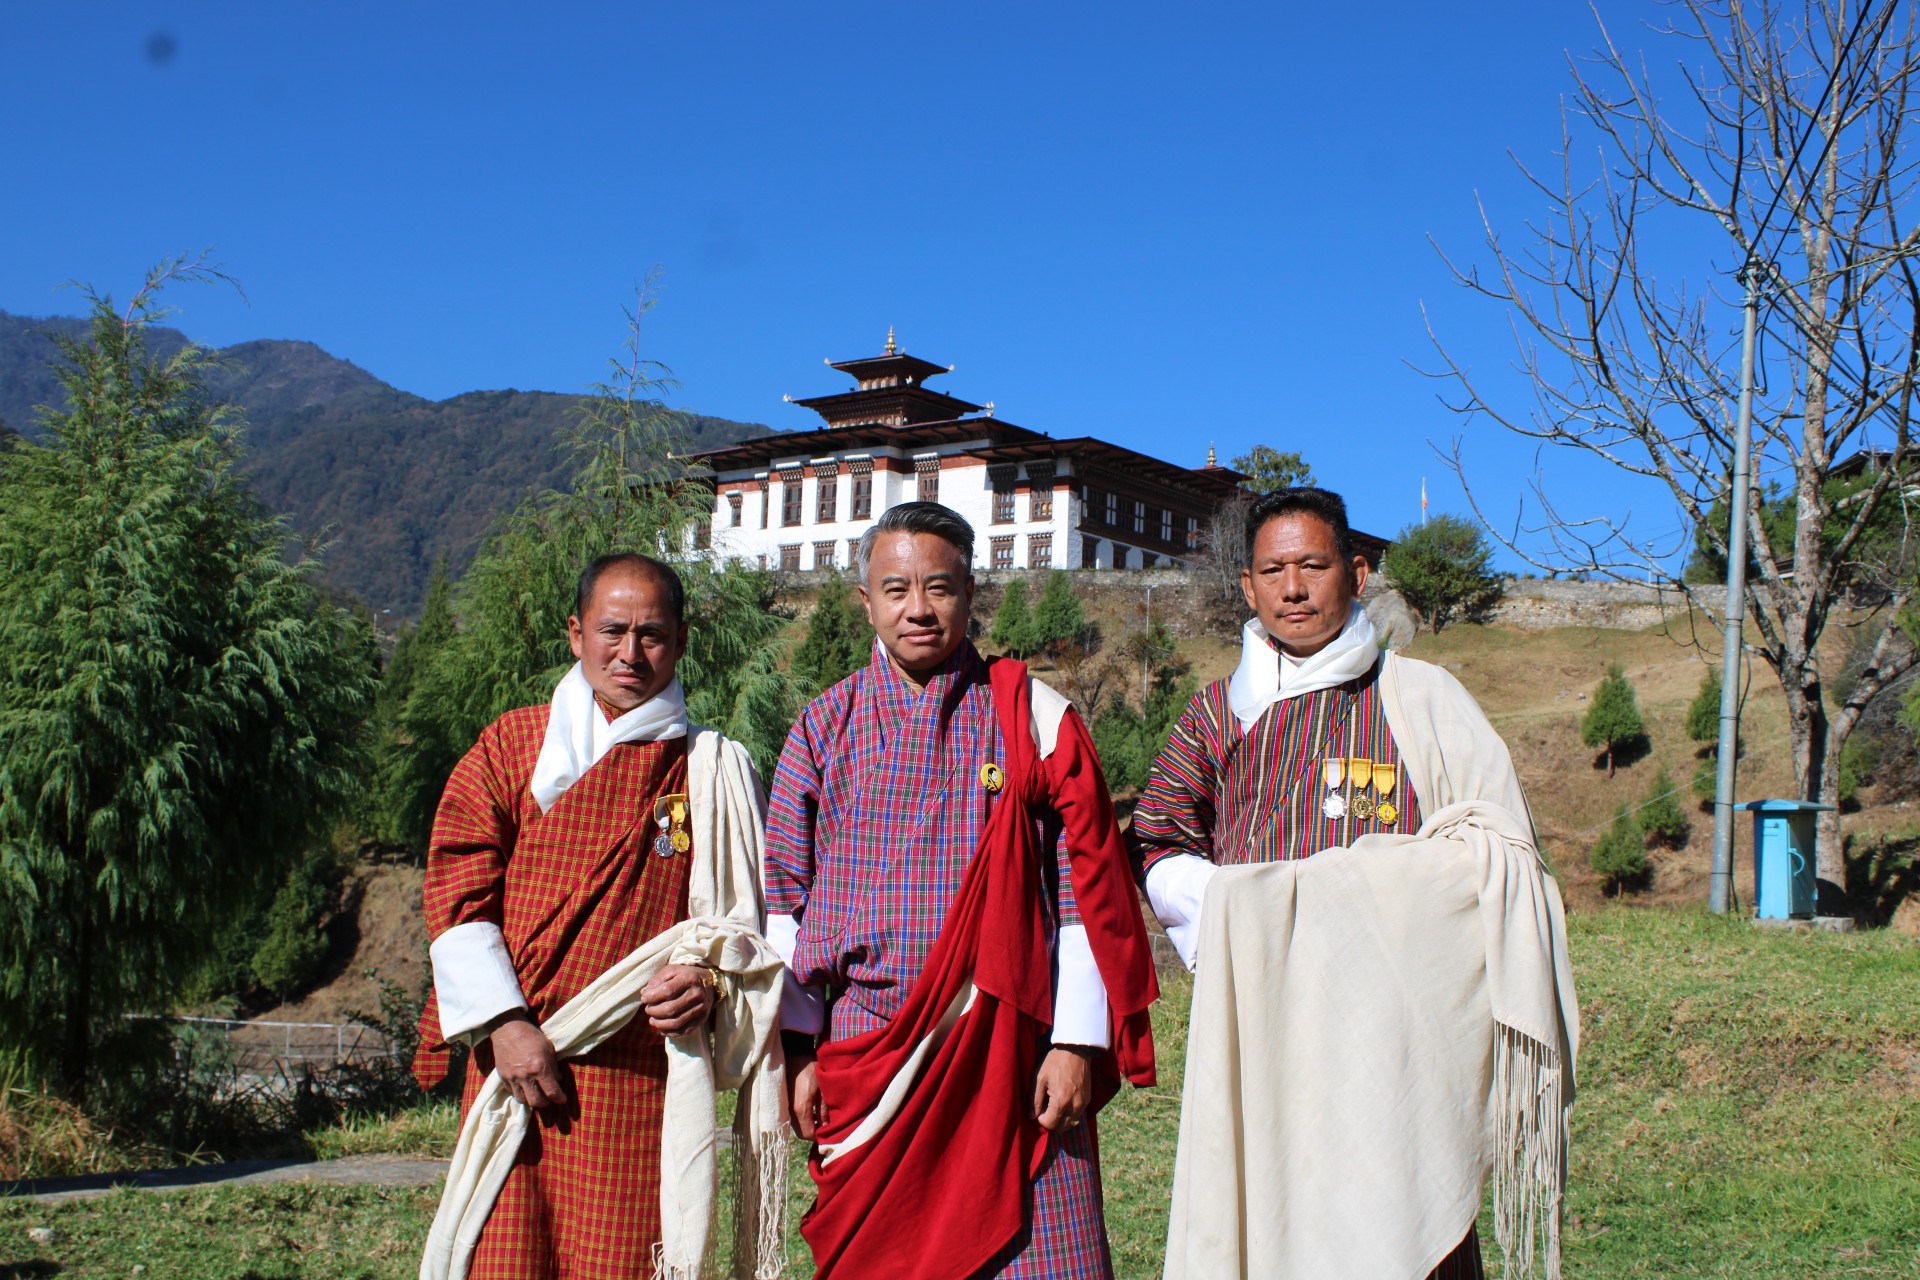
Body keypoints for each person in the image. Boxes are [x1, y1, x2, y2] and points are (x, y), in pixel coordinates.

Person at [1133, 488, 1579, 1280]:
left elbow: (1502, 849)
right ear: (1247, 586)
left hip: (1400, 1033)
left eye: (1313, 565)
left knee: (1404, 1216)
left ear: (1359, 573)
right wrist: (1245, 915)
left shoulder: (1421, 698)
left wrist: (1363, 887)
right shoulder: (1217, 714)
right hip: (1268, 1018)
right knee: (1274, 1209)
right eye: (1273, 570)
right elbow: (1159, 835)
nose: (1293, 589)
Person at [763, 501, 1158, 1280]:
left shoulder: (1031, 717)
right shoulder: (822, 727)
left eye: (939, 588)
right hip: (869, 1056)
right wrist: (797, 1049)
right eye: (896, 588)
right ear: (865, 601)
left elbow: (1085, 886)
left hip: (1013, 1055)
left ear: (971, 595)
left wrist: (1078, 1042)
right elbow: (787, 901)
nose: (918, 608)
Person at [412, 552, 787, 1280]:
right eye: (612, 630)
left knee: (622, 1258)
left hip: (639, 1074)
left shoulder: (706, 768)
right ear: (576, 632)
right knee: (506, 1256)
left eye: (652, 634)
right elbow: (457, 888)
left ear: (680, 641)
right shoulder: (509, 747)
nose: (630, 653)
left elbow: (738, 933)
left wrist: (707, 987)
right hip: (518, 1058)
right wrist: (504, 1023)